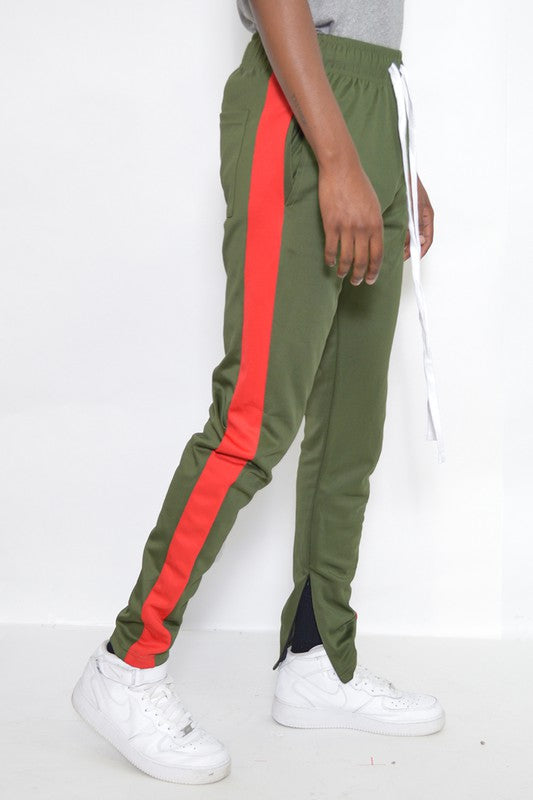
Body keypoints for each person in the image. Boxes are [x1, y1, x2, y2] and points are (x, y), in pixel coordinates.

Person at [71, 0, 446, 785]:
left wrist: (391, 160)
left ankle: (317, 659)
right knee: (252, 421)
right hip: (302, 110)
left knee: (350, 428)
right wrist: (338, 157)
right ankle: (126, 666)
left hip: (370, 108)